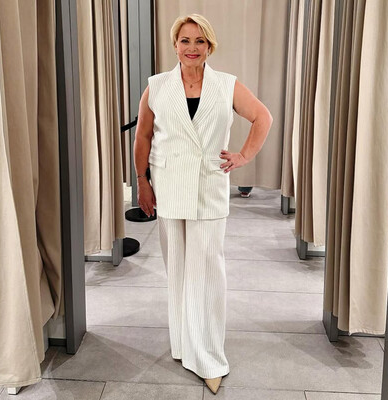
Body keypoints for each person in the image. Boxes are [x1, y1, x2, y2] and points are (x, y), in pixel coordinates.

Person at [133, 14, 272, 395]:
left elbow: (262, 117)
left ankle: (209, 357)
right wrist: (142, 182)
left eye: (199, 41)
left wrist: (244, 156)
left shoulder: (226, 85)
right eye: (185, 40)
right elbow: (143, 136)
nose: (192, 48)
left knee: (208, 273)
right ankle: (184, 344)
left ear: (210, 46)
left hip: (209, 187)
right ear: (174, 45)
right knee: (177, 269)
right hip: (169, 186)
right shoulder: (157, 86)